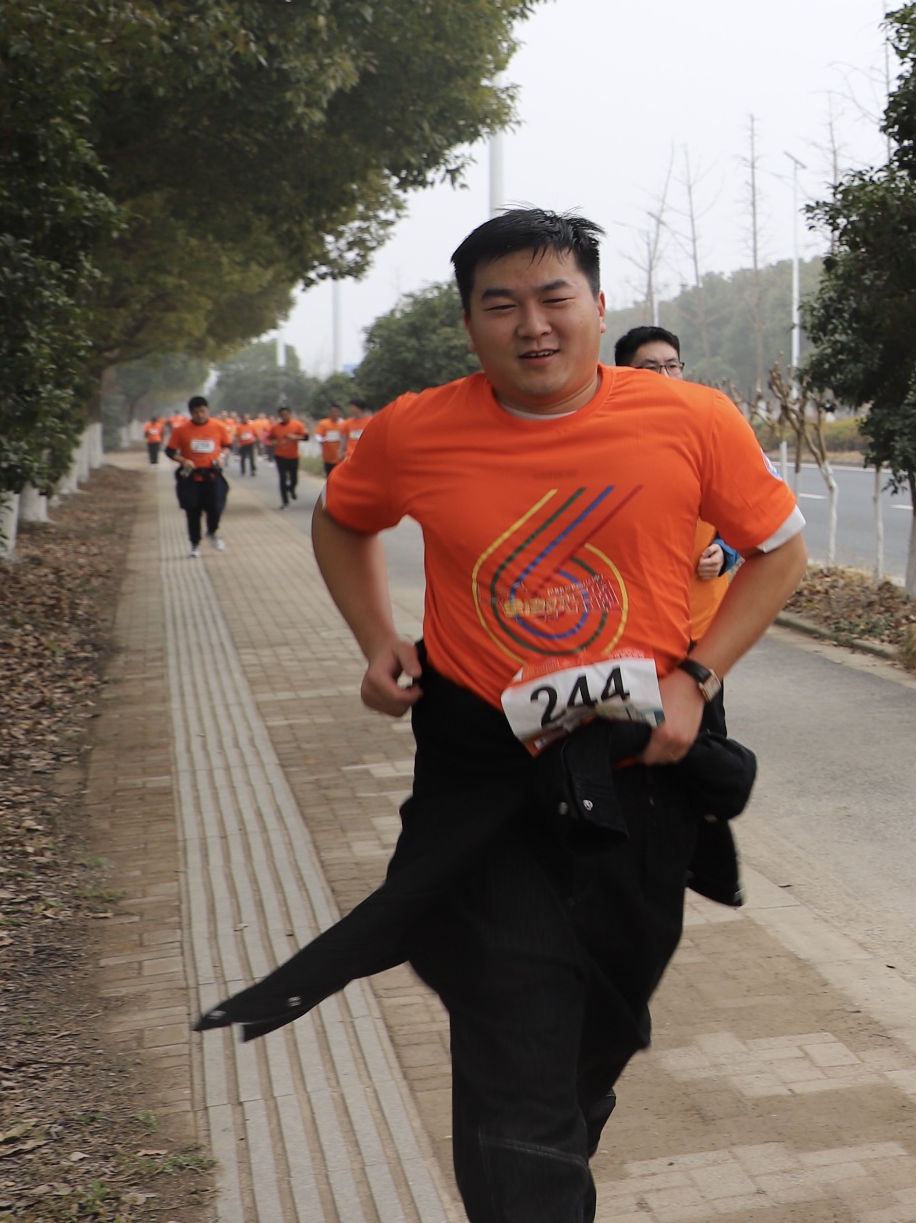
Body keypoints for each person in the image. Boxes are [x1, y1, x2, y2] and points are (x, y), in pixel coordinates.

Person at [194, 209, 807, 1223]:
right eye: (502, 303)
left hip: (635, 777)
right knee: (513, 1026)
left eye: (554, 296)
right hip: (482, 773)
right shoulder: (415, 428)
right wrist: (377, 640)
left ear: (595, 306)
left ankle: (546, 1147)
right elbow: (345, 518)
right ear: (470, 322)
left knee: (593, 1032)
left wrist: (698, 673)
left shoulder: (688, 419)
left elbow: (778, 552)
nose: (533, 323)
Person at [614, 326, 739, 639]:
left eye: (672, 366)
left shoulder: (709, 435)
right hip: (628, 634)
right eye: (651, 369)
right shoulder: (604, 445)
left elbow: (750, 515)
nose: (666, 377)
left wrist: (726, 551)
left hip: (701, 628)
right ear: (623, 374)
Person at [165, 396, 233, 556]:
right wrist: (183, 461)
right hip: (190, 476)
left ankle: (213, 531)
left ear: (207, 410)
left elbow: (227, 446)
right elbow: (170, 451)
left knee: (216, 506)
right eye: (196, 412)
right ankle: (194, 544)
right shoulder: (181, 430)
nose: (200, 415)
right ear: (191, 413)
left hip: (212, 474)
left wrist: (221, 456)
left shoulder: (218, 427)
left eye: (202, 411)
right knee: (192, 511)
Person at [268, 405, 309, 507]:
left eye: (286, 415)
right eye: (282, 415)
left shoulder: (297, 425)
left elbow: (306, 438)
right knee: (282, 478)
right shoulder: (275, 427)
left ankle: (291, 488)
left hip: (293, 456)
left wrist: (295, 437)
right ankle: (285, 501)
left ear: (290, 414)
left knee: (294, 478)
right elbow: (270, 438)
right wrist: (273, 442)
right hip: (280, 456)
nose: (284, 417)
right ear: (279, 416)